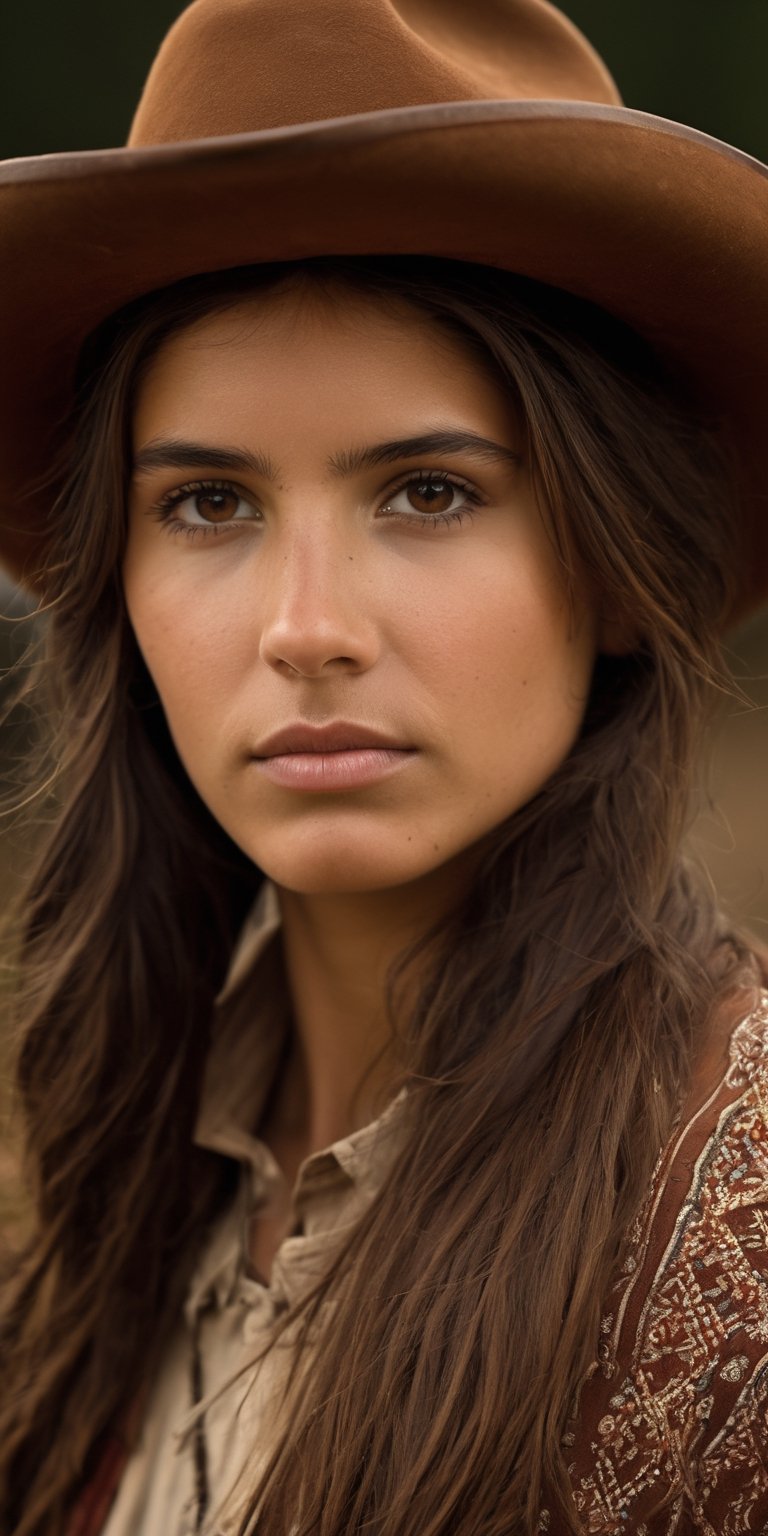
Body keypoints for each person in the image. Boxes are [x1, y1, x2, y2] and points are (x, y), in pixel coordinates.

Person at [1, 1, 767, 1533]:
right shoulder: (77, 1166)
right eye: (210, 505)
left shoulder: (738, 1223)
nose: (306, 630)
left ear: (618, 571)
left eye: (427, 491)